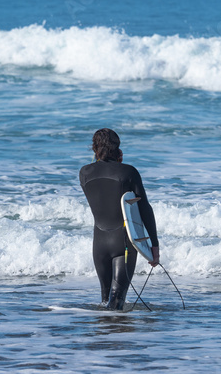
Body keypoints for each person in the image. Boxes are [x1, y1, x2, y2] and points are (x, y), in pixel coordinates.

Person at [79, 128, 159, 310]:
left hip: (99, 243)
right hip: (123, 242)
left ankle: (104, 337)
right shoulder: (128, 172)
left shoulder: (84, 172)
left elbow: (103, 196)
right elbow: (144, 209)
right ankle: (116, 336)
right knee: (117, 301)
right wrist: (154, 247)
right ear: (118, 148)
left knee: (105, 299)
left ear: (94, 148)